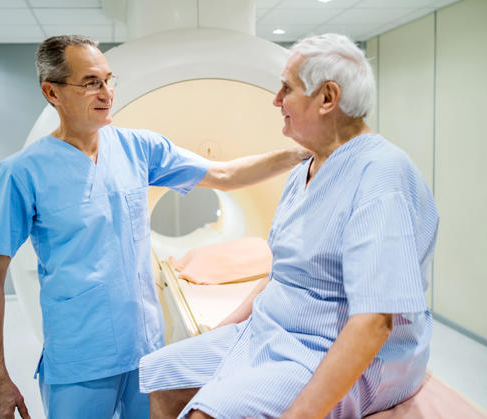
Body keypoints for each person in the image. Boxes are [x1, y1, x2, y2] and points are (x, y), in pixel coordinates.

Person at [0, 35, 310, 419]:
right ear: (52, 92)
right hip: (78, 362)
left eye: (108, 79)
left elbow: (225, 173)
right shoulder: (21, 173)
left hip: (144, 354)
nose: (106, 92)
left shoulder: (139, 148)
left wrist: (302, 150)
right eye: (91, 83)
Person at [139, 33, 439, 419]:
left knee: (207, 415)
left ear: (328, 98)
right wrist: (224, 328)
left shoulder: (380, 177)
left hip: (327, 348)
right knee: (163, 377)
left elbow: (375, 322)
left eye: (287, 88)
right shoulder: (305, 169)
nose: (276, 100)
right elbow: (283, 271)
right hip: (272, 331)